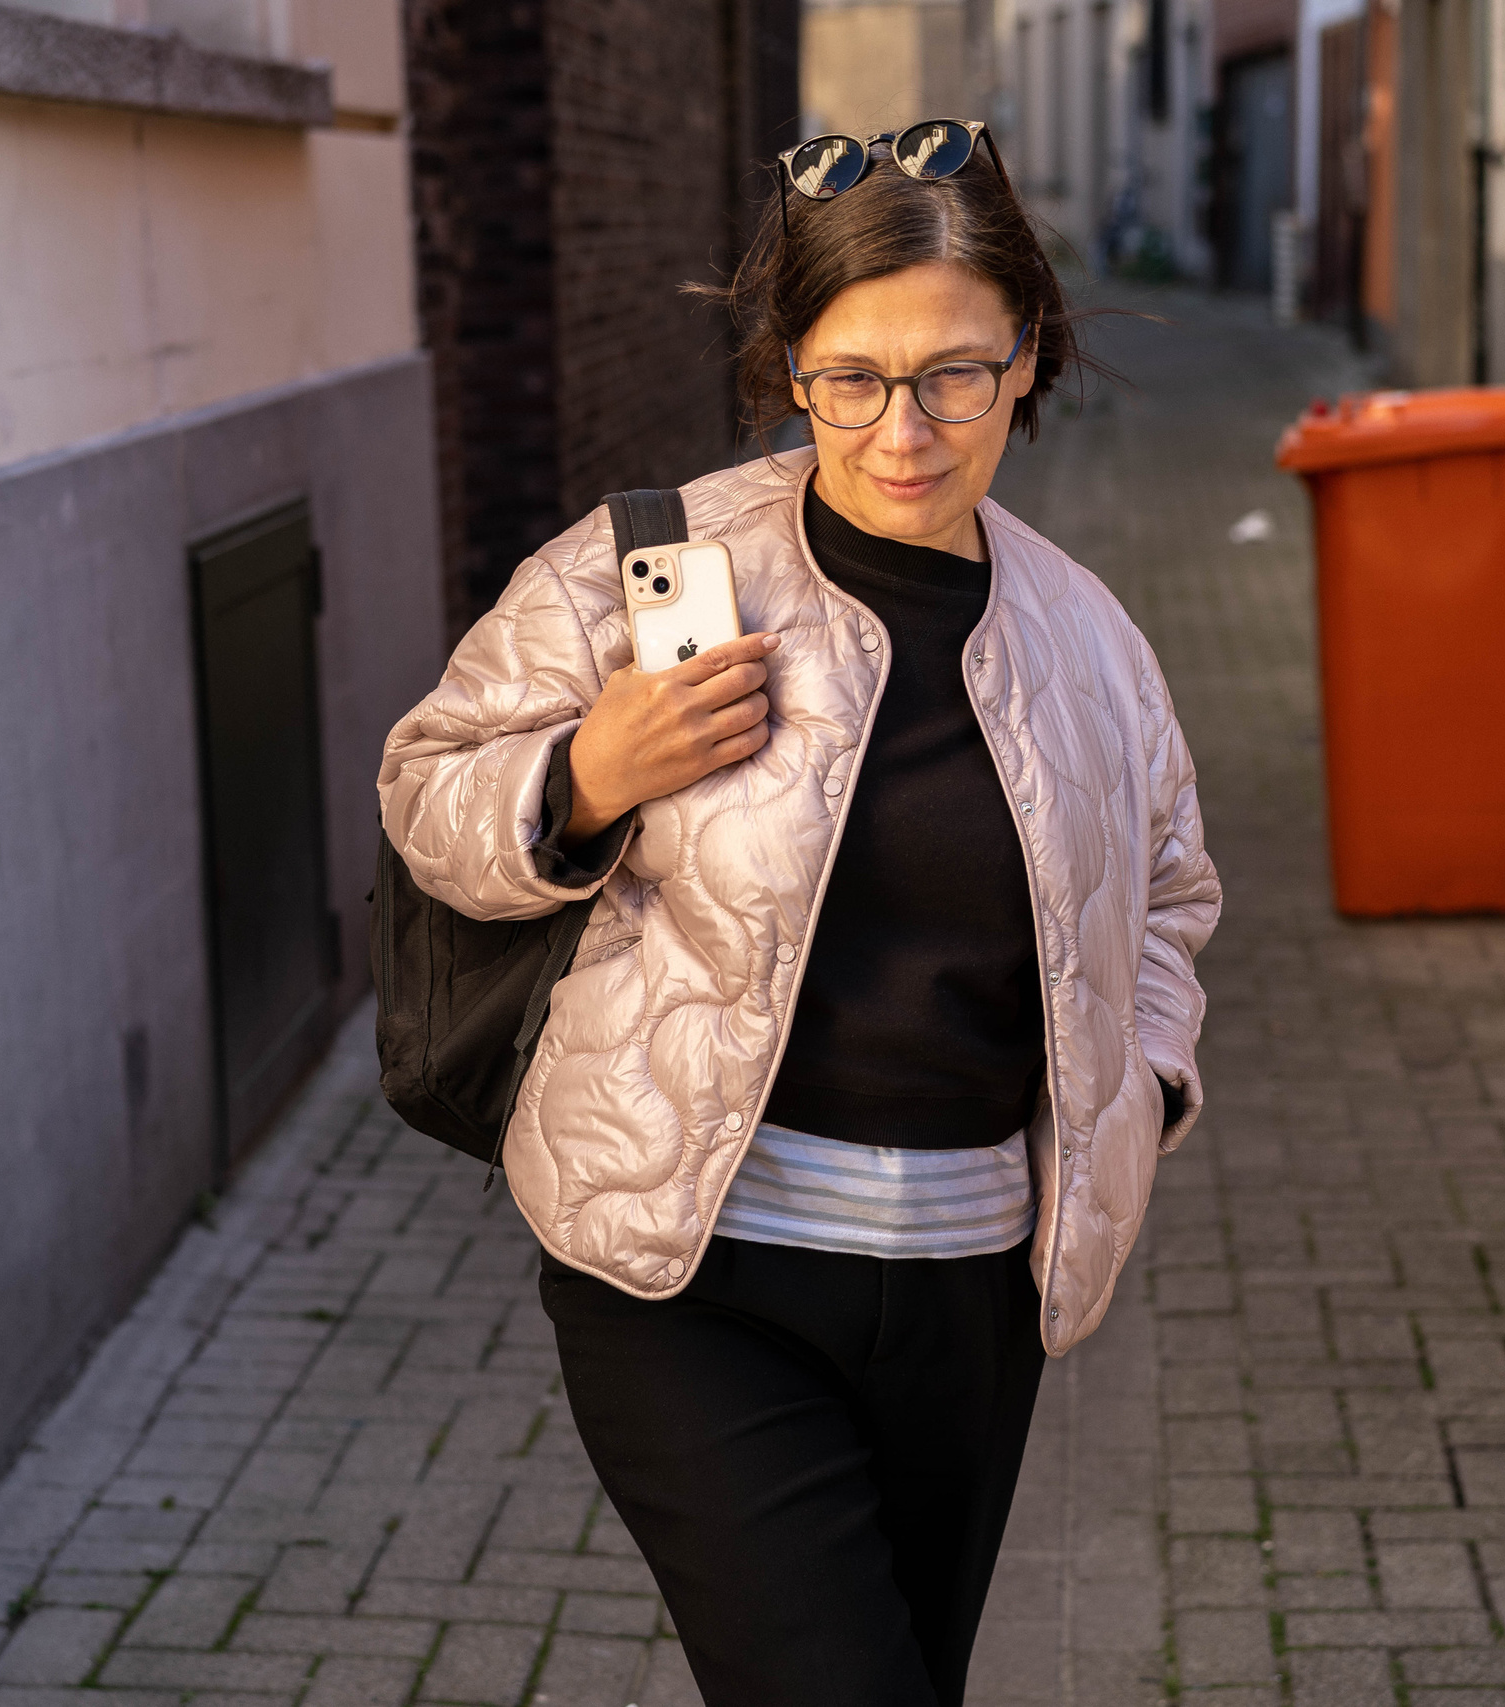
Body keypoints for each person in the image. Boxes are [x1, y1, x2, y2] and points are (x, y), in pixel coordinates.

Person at [377, 120, 1220, 1707]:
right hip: (695, 1276)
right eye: (854, 378)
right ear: (790, 370)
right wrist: (582, 775)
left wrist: (1141, 1085)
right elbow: (426, 794)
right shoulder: (653, 569)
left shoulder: (1090, 641)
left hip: (975, 1293)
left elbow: (1171, 892)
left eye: (955, 375)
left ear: (1027, 356)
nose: (904, 430)